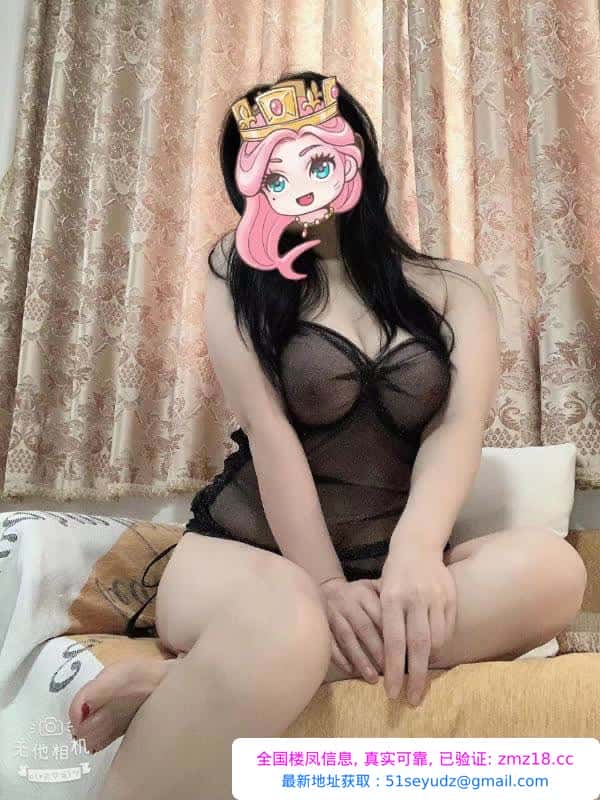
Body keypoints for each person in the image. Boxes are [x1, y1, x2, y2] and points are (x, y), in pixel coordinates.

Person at [68, 71, 586, 800]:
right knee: (291, 620)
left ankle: (181, 682)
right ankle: (264, 649)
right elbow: (270, 435)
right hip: (245, 558)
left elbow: (455, 429)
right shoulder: (236, 269)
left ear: (353, 153)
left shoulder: (456, 287)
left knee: (554, 570)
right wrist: (324, 585)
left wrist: (415, 554)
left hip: (387, 567)